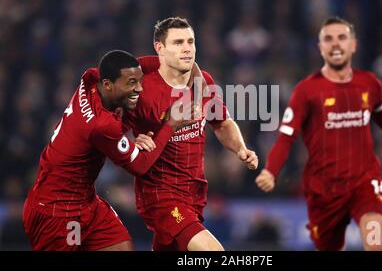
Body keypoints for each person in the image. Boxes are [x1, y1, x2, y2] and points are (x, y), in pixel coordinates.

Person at [255, 17, 382, 251]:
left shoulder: (369, 84)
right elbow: (286, 136)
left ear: (354, 45)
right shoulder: (306, 91)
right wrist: (271, 170)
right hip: (325, 188)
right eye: (328, 39)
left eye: (342, 37)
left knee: (375, 245)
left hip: (365, 181)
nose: (335, 44)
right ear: (321, 48)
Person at [23, 50, 194, 251]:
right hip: (58, 213)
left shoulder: (90, 79)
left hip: (86, 202)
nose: (139, 88)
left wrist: (171, 63)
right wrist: (170, 125)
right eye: (131, 83)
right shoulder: (101, 126)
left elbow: (135, 66)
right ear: (108, 85)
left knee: (122, 248)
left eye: (139, 81)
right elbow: (140, 166)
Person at [124, 17, 259, 251]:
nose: (187, 48)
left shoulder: (203, 82)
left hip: (193, 195)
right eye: (178, 43)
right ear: (160, 48)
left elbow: (222, 123)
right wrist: (132, 143)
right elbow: (108, 131)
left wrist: (241, 149)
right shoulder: (141, 87)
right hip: (161, 197)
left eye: (190, 41)